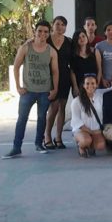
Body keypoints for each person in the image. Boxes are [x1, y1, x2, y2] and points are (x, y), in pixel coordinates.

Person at [3, 21, 59, 159]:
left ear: (49, 33)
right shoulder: (26, 48)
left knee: (42, 118)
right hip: (28, 91)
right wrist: (18, 86)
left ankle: (39, 144)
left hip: (44, 91)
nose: (42, 34)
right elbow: (16, 66)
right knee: (22, 119)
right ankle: (16, 147)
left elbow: (55, 72)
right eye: (40, 31)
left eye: (46, 32)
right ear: (35, 31)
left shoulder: (51, 51)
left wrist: (55, 89)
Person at [44, 16, 72, 150]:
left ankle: (59, 137)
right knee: (53, 107)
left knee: (62, 106)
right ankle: (47, 136)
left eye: (63, 25)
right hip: (49, 77)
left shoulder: (69, 41)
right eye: (58, 24)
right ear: (53, 25)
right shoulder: (46, 40)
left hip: (65, 77)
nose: (60, 27)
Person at [70, 74, 107, 158]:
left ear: (96, 85)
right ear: (83, 85)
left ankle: (90, 146)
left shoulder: (100, 95)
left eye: (93, 83)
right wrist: (91, 132)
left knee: (100, 146)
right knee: (86, 140)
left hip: (96, 130)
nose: (90, 86)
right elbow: (76, 121)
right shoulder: (76, 101)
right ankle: (81, 146)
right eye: (87, 83)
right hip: (81, 130)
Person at [70, 29, 99, 97]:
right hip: (79, 86)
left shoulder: (95, 51)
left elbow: (99, 69)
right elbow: (72, 72)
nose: (82, 39)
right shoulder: (73, 55)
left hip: (93, 85)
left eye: (83, 36)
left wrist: (97, 84)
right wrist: (75, 87)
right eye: (79, 38)